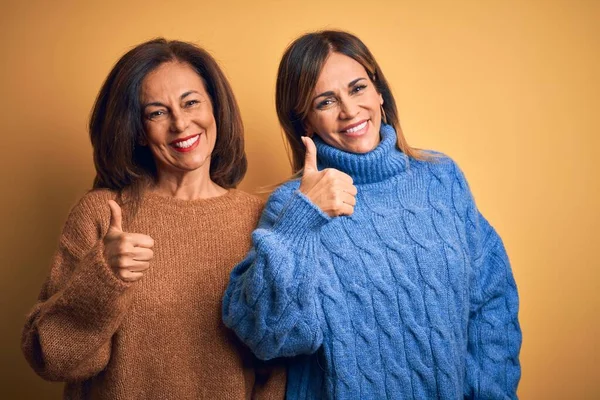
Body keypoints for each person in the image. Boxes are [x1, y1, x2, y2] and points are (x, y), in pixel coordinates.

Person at [222, 30, 521, 399]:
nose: (349, 110)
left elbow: (491, 299)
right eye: (325, 101)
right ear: (305, 123)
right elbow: (269, 337)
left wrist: (493, 393)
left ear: (379, 93)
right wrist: (303, 219)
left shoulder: (441, 178)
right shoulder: (293, 204)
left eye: (358, 88)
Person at [21, 38, 285, 399]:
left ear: (215, 110)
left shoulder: (260, 221)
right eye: (157, 112)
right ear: (139, 132)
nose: (180, 122)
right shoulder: (101, 214)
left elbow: (277, 369)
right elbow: (51, 359)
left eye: (191, 102)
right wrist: (103, 278)